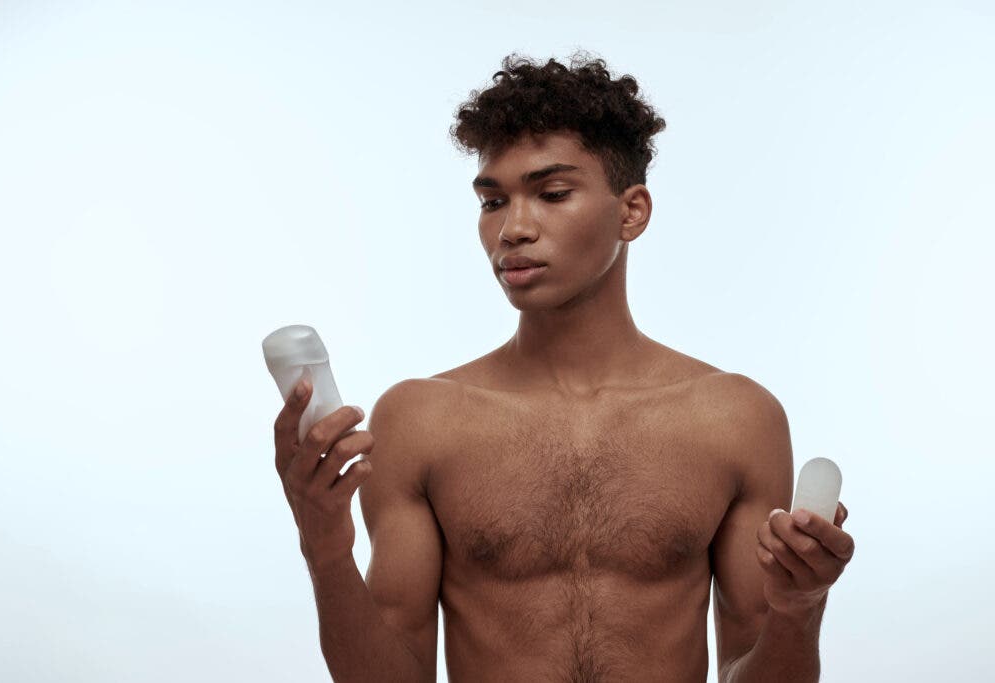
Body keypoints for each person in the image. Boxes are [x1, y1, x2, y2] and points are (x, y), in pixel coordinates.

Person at [272, 50, 855, 682]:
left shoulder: (736, 419)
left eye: (551, 194)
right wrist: (326, 551)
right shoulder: (421, 420)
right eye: (493, 202)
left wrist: (798, 608)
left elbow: (753, 668)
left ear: (631, 212)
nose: (512, 230)